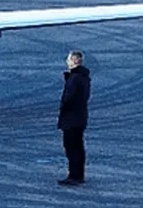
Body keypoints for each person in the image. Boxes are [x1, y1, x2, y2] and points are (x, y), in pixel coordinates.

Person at [57, 49, 91, 187]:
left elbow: (68, 99)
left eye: (69, 59)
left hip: (72, 119)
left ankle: (74, 175)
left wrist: (63, 110)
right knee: (78, 146)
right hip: (80, 117)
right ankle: (78, 174)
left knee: (72, 147)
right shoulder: (84, 77)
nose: (67, 62)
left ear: (74, 61)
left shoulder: (74, 78)